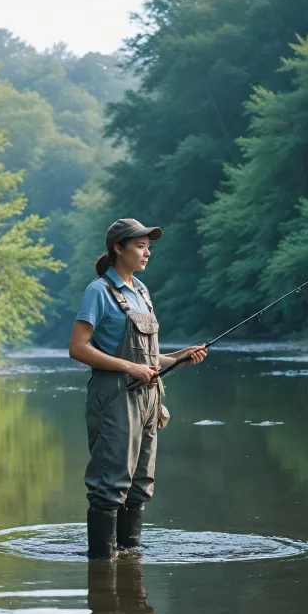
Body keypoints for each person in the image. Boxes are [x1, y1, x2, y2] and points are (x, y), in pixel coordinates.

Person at [69, 218, 207, 560]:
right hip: (113, 394)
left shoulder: (142, 292)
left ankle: (129, 558)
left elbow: (145, 356)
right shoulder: (99, 291)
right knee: (110, 484)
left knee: (140, 484)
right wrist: (130, 367)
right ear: (118, 249)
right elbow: (78, 348)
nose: (147, 253)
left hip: (148, 397)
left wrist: (177, 358)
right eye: (140, 246)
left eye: (148, 247)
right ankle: (102, 562)